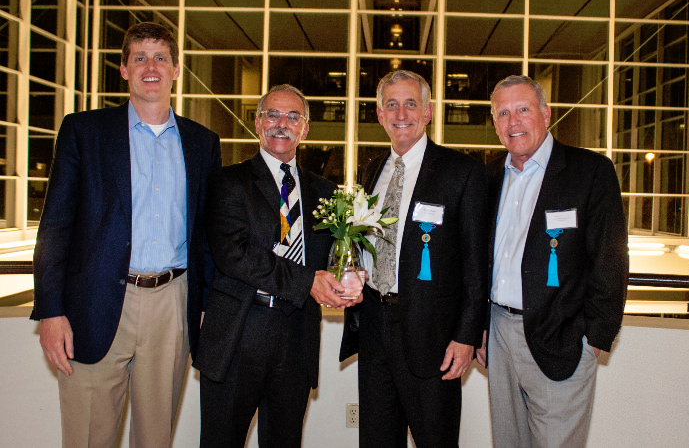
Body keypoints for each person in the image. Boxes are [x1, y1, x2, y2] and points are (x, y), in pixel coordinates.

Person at [31, 22, 221, 447]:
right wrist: (50, 311)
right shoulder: (84, 131)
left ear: (175, 69)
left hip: (173, 303)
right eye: (139, 57)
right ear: (123, 69)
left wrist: (206, 305)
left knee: (155, 439)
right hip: (93, 302)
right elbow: (56, 227)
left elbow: (206, 234)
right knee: (87, 437)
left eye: (160, 58)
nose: (150, 66)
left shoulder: (202, 143)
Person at [194, 84, 356, 447]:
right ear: (257, 123)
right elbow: (234, 255)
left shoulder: (327, 193)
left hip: (296, 336)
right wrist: (308, 282)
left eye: (292, 116)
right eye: (273, 114)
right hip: (239, 332)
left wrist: (350, 275)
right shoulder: (227, 182)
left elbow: (334, 255)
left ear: (305, 128)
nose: (281, 124)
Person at [477, 75, 628, 447]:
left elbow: (611, 256)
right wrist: (477, 327)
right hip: (497, 332)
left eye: (523, 110)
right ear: (495, 124)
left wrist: (596, 336)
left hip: (562, 335)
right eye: (503, 113)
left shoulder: (589, 172)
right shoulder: (489, 175)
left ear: (546, 113)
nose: (514, 122)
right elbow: (478, 258)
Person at [340, 70, 489, 448]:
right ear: (379, 114)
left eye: (411, 104)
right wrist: (353, 269)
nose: (401, 113)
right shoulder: (372, 170)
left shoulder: (463, 172)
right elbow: (366, 240)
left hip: (434, 336)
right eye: (392, 104)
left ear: (428, 112)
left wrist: (466, 335)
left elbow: (476, 264)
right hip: (374, 326)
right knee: (376, 439)